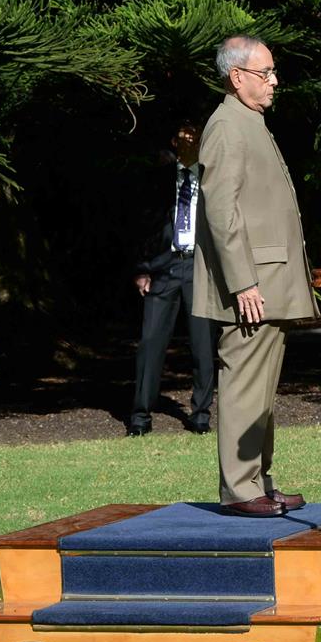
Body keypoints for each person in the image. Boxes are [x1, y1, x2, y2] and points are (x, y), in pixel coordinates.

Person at [193, 36, 318, 517]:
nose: (274, 81)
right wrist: (243, 281)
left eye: (272, 72)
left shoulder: (250, 122)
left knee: (261, 390)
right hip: (253, 287)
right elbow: (221, 212)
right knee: (245, 384)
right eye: (265, 73)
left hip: (269, 283)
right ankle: (241, 490)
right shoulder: (226, 125)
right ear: (237, 76)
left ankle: (258, 481)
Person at [129, 121, 218, 436]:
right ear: (174, 139)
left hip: (200, 267)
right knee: (151, 342)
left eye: (195, 130)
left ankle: (201, 414)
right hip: (164, 267)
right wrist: (142, 267)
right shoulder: (158, 181)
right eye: (184, 130)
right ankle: (140, 416)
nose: (190, 135)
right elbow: (145, 223)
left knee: (203, 345)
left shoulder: (212, 178)